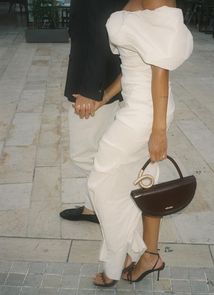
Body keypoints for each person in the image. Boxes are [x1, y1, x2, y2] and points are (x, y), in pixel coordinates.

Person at [86, 0, 193, 287]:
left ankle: (120, 260)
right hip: (136, 107)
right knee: (131, 185)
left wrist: (159, 130)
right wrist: (104, 98)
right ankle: (141, 255)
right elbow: (132, 64)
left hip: (147, 113)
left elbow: (161, 69)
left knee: (100, 182)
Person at [60, 0, 128, 223]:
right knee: (99, 147)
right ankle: (94, 207)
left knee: (84, 152)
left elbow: (101, 32)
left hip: (94, 85)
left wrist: (91, 90)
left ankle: (114, 201)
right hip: (103, 79)